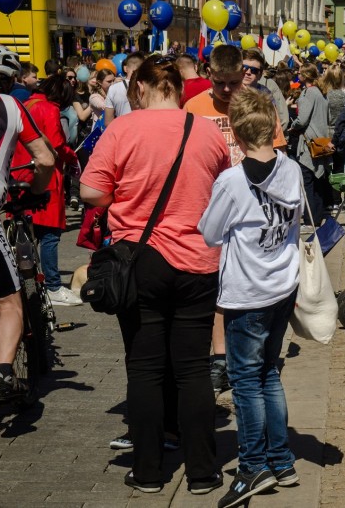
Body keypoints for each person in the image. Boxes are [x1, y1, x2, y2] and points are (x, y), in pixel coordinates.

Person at [80, 56, 229, 495]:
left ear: (142, 88)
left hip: (140, 260)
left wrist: (123, 194)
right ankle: (202, 471)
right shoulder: (205, 130)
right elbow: (221, 187)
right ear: (178, 90)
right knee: (192, 370)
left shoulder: (123, 130)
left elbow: (90, 191)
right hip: (199, 260)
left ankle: (147, 472)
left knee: (144, 369)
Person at [199, 88, 303, 508]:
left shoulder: (231, 180)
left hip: (247, 294)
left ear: (237, 136)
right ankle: (282, 459)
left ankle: (253, 465)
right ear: (274, 126)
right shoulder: (292, 170)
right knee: (269, 375)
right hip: (282, 286)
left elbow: (209, 232)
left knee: (245, 382)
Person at [0, 45, 55, 401]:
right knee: (8, 304)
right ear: (12, 80)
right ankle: (2, 372)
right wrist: (37, 193)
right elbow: (44, 158)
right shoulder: (11, 106)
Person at [11, 75, 82, 306]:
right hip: (46, 177)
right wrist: (73, 158)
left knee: (23, 236)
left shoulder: (26, 104)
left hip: (20, 173)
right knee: (50, 236)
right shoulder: (49, 108)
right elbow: (57, 145)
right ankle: (52, 286)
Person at [288, 63, 331, 227]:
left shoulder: (309, 92)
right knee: (317, 180)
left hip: (309, 143)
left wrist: (293, 126)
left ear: (306, 75)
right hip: (320, 141)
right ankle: (317, 216)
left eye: (300, 72)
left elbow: (303, 119)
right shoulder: (320, 92)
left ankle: (310, 218)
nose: (298, 74)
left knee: (308, 182)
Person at [242, 49, 289, 145]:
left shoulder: (266, 92)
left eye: (254, 70)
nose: (248, 72)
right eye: (244, 67)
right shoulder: (228, 91)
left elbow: (281, 120)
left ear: (260, 74)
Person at [104, 51, 146, 125]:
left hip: (121, 132)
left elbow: (108, 123)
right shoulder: (147, 87)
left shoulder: (113, 88)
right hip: (142, 132)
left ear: (125, 68)